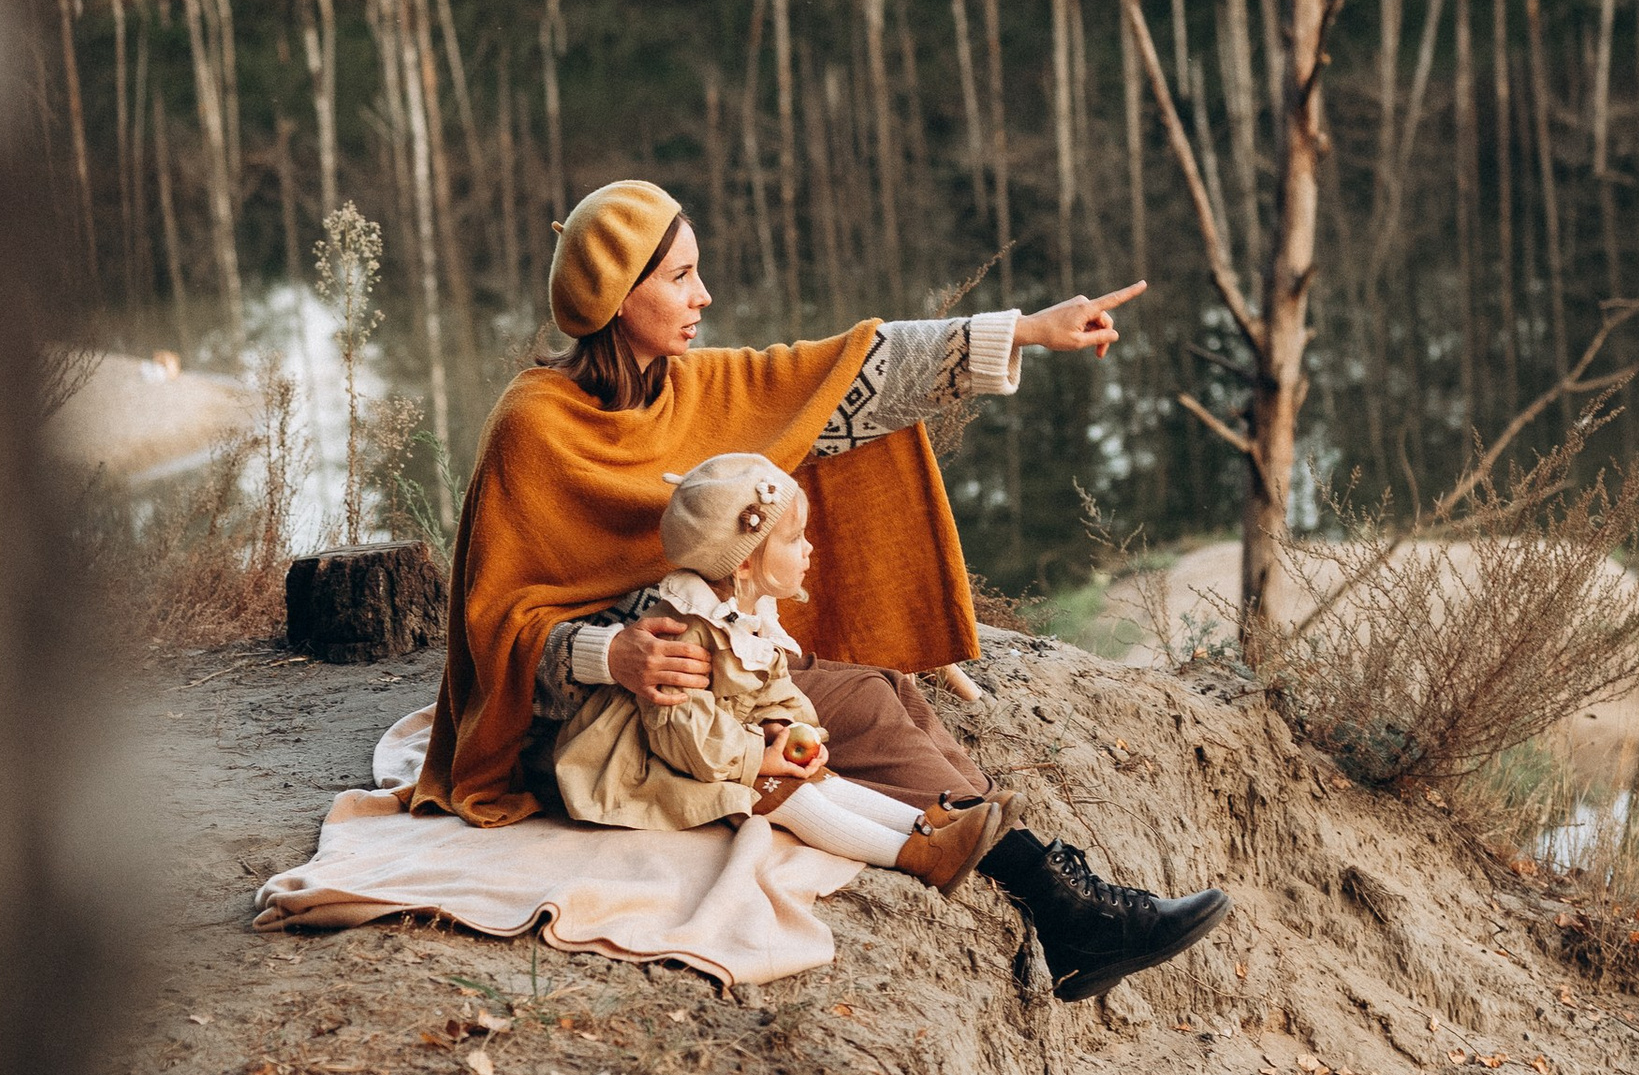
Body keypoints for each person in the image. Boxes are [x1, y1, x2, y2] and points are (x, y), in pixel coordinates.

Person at [415, 176, 1229, 1003]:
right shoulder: (533, 425)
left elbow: (850, 377)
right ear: (619, 298)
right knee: (871, 709)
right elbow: (493, 628)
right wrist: (609, 653)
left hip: (719, 678)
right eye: (679, 277)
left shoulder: (693, 389)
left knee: (888, 693)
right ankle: (1064, 904)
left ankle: (1060, 901)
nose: (704, 294)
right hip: (600, 728)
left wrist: (1027, 329)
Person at [552, 448, 1010, 890]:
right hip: (654, 763)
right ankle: (912, 853)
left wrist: (787, 725)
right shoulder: (685, 636)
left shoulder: (747, 619)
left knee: (818, 775)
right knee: (784, 792)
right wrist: (758, 755)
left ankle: (933, 822)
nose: (809, 549)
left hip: (725, 743)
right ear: (745, 562)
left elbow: (776, 684)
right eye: (794, 539)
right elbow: (684, 733)